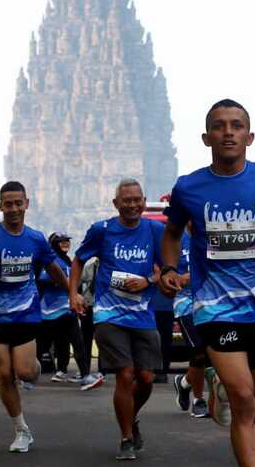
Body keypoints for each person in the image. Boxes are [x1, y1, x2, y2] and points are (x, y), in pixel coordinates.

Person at [159, 99, 255, 467]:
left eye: (235, 125)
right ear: (206, 137)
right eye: (219, 126)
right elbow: (171, 234)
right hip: (216, 308)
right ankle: (227, 389)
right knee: (244, 398)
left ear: (249, 136)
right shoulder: (189, 187)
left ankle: (220, 391)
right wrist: (168, 269)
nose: (227, 132)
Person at [0, 181, 69, 454]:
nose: (14, 209)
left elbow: (53, 269)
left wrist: (73, 293)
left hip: (25, 312)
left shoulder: (36, 239)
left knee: (25, 372)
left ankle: (35, 369)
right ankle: (21, 429)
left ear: (27, 204)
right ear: (0, 207)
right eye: (8, 204)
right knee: (5, 374)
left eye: (19, 203)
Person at [70, 178, 166, 461]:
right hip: (109, 313)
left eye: (138, 200)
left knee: (146, 378)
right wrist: (73, 293)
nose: (133, 205)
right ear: (116, 204)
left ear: (144, 201)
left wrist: (148, 280)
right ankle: (126, 437)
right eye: (127, 200)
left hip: (143, 314)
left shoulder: (155, 230)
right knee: (125, 374)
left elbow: (166, 269)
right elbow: (78, 261)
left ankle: (131, 418)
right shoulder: (102, 231)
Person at [36, 232, 92, 385]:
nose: (66, 243)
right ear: (54, 244)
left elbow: (77, 282)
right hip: (48, 311)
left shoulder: (67, 260)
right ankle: (25, 374)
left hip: (67, 309)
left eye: (67, 241)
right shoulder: (50, 259)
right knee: (41, 346)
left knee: (76, 341)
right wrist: (64, 282)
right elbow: (42, 277)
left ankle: (84, 374)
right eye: (61, 241)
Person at [170, 228, 211, 418]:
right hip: (186, 304)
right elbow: (163, 271)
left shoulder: (213, 234)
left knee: (214, 354)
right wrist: (177, 278)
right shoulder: (175, 240)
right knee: (199, 353)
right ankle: (198, 400)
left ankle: (185, 382)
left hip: (214, 303)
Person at [77, 256, 103, 391]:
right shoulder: (89, 265)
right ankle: (85, 370)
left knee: (102, 339)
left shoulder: (110, 265)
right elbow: (79, 283)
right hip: (89, 305)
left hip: (103, 306)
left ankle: (102, 370)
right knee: (85, 338)